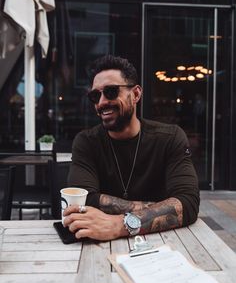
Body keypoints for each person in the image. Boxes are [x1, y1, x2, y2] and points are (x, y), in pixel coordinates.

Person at [64, 55, 200, 241]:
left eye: (111, 92)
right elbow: (84, 201)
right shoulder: (86, 142)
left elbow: (188, 204)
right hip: (98, 241)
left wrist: (121, 224)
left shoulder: (170, 138)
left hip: (164, 241)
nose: (101, 102)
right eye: (95, 96)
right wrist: (160, 208)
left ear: (135, 94)